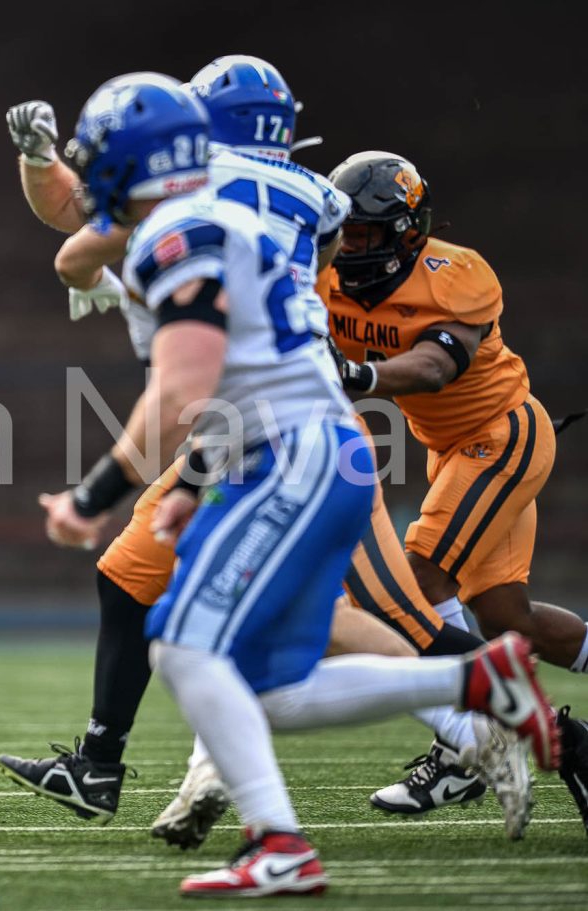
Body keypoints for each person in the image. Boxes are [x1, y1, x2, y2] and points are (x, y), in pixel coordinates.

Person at [43, 72, 558, 898]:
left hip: (293, 454)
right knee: (263, 681)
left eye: (99, 156)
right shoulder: (259, 214)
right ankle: (297, 828)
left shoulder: (184, 227)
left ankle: (463, 695)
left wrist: (90, 496)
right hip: (279, 446)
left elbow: (183, 388)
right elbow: (239, 373)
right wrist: (190, 482)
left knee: (191, 645)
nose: (89, 173)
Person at [323, 150, 588, 831]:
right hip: (451, 450)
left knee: (412, 587)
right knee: (506, 619)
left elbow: (435, 366)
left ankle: (469, 745)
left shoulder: (456, 274)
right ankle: (473, 735)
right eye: (344, 233)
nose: (350, 247)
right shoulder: (324, 277)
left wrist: (358, 377)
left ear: (405, 231)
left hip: (502, 437)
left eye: (364, 234)